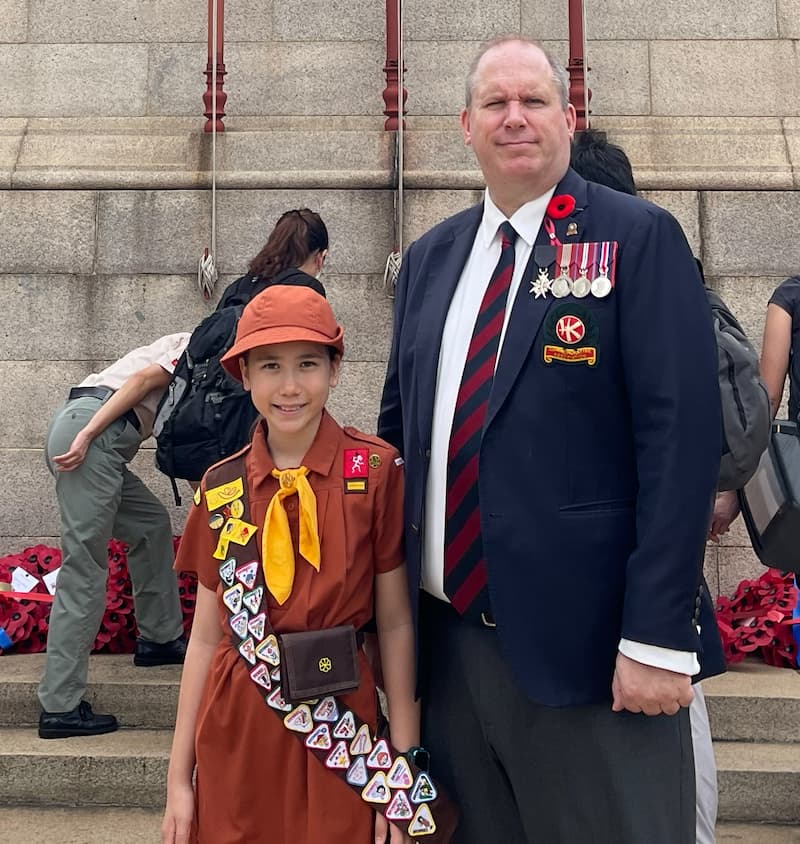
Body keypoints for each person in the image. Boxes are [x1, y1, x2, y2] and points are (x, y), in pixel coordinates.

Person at [378, 36, 721, 843]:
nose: (515, 117)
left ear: (568, 119)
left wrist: (658, 636)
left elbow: (680, 442)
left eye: (533, 100)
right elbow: (402, 437)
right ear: (466, 125)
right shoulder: (429, 260)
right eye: (495, 103)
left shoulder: (636, 239)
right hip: (450, 654)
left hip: (594, 656)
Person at [162, 285, 419, 844]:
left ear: (334, 369)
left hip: (341, 730)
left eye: (308, 363)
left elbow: (396, 624)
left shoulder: (375, 472)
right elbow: (204, 640)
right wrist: (179, 779)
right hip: (238, 728)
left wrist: (400, 770)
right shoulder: (222, 487)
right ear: (244, 376)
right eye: (270, 366)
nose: (290, 386)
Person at [569, 126, 726, 844]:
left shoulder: (642, 272)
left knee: (671, 777)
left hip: (646, 595)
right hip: (648, 590)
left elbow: (679, 435)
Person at [38, 333, 191, 739]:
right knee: (85, 567)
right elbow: (142, 382)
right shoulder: (196, 346)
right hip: (90, 435)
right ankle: (60, 707)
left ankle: (160, 640)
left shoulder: (197, 348)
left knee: (150, 524)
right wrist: (88, 434)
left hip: (91, 431)